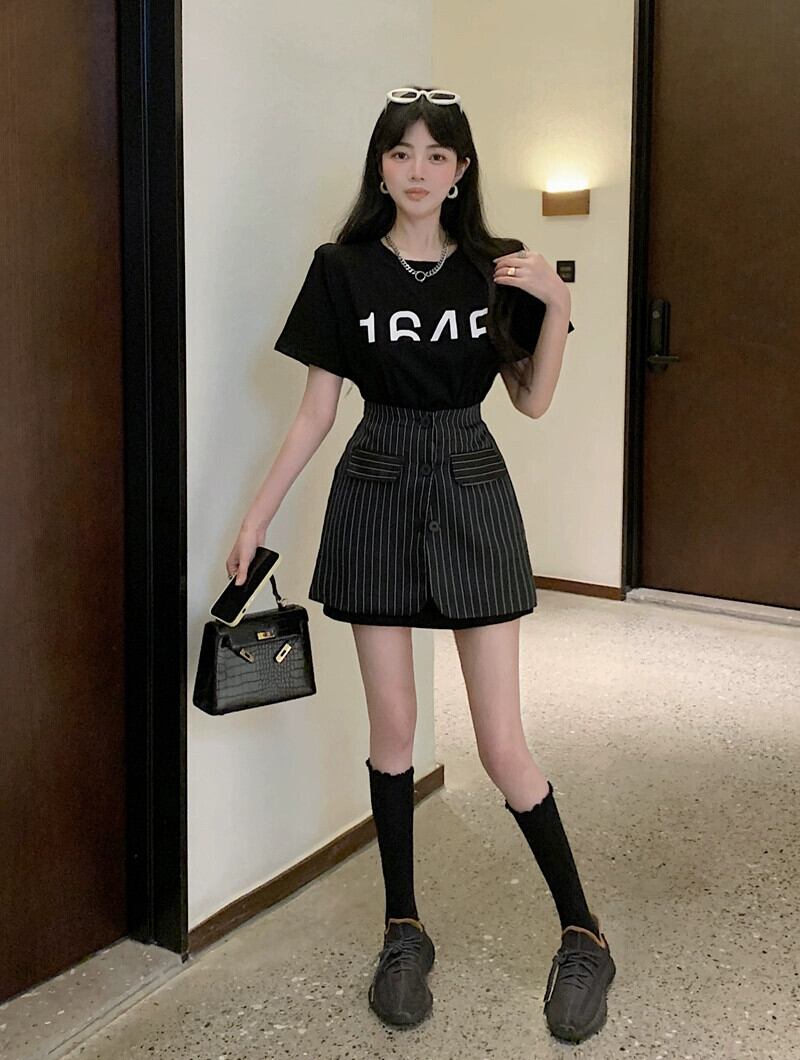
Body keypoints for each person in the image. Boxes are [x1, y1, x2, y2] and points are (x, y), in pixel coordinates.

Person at [226, 85, 614, 1044]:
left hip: (472, 482)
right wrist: (256, 516)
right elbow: (317, 411)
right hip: (376, 484)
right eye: (401, 153)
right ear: (381, 165)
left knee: (500, 743)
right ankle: (403, 929)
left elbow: (530, 401)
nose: (418, 170)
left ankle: (584, 932)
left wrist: (559, 302)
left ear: (461, 170)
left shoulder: (497, 267)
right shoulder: (343, 268)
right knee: (393, 729)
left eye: (437, 154)